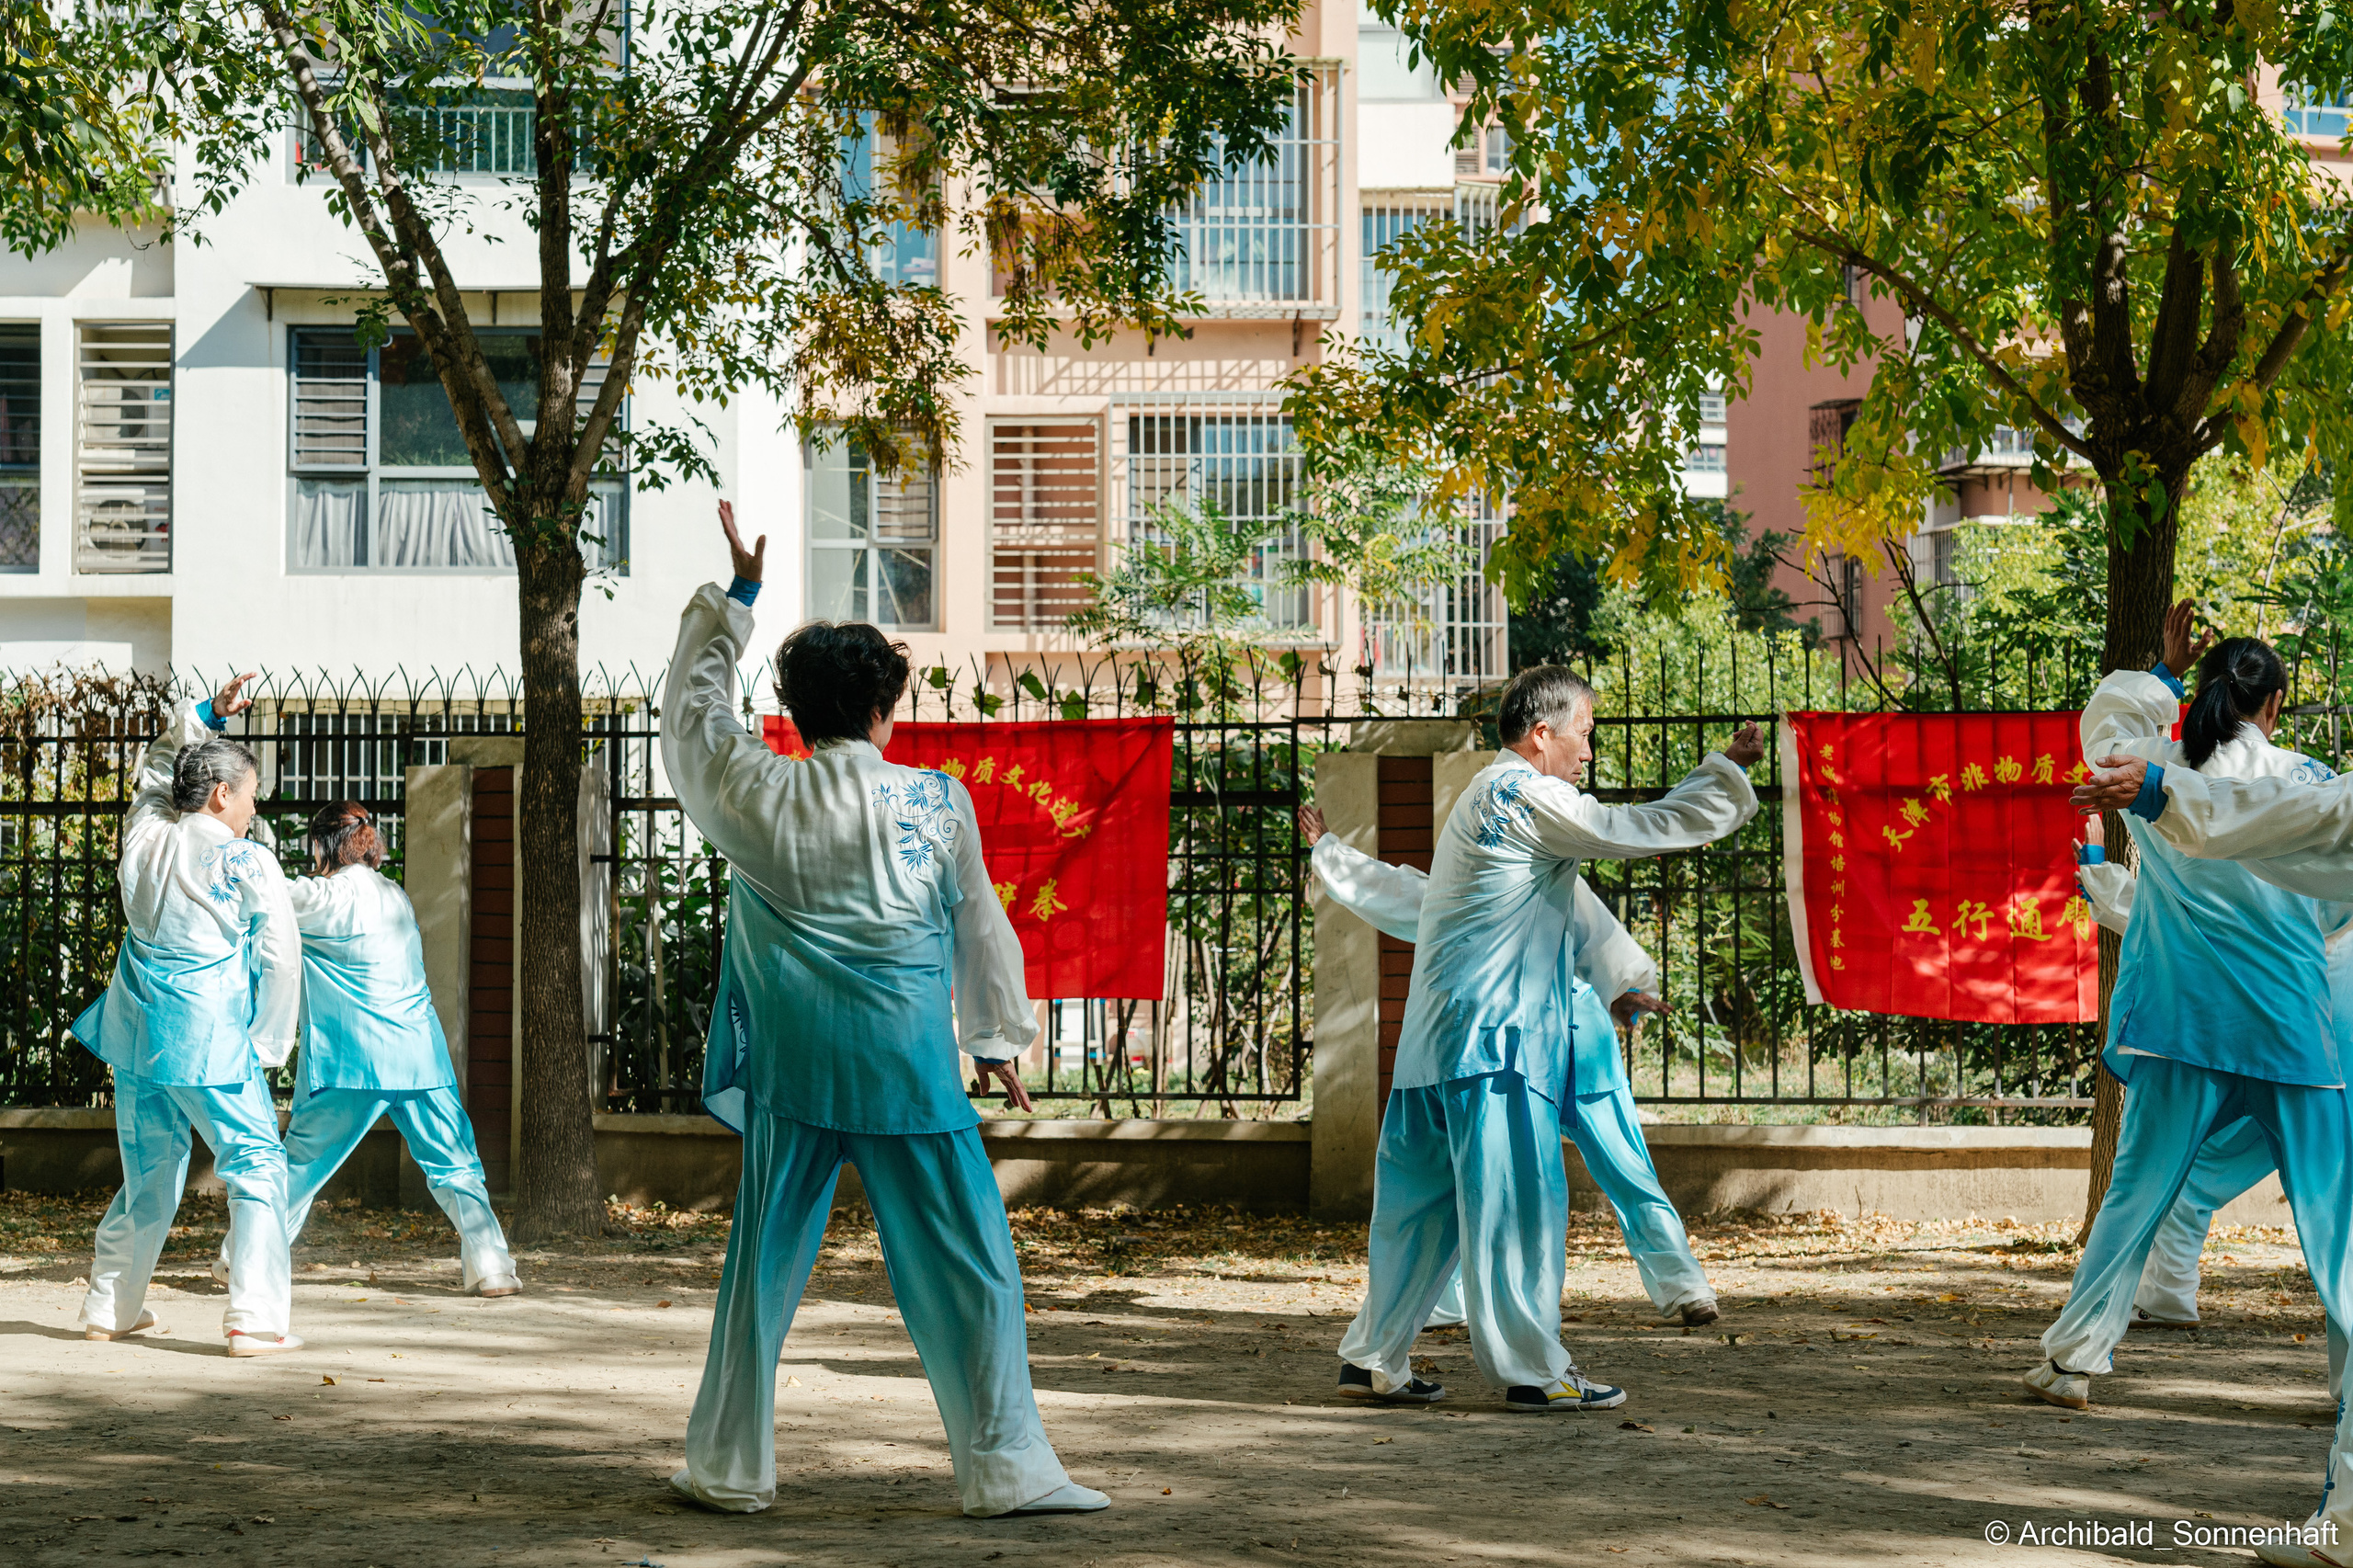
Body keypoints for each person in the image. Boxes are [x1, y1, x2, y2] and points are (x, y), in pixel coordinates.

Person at [662, 501, 1099, 1520]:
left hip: (796, 1070)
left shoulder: (753, 787)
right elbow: (982, 924)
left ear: (796, 708)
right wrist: (994, 1040)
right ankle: (1007, 1469)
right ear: (883, 707)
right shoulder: (935, 801)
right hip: (907, 1068)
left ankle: (728, 1468)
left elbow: (693, 713)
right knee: (974, 1270)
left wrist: (738, 597)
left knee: (757, 1278)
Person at [1330, 664, 1763, 1414]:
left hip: (1433, 1049)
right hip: (1497, 1047)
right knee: (1517, 1208)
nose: (1588, 753)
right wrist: (1721, 773)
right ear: (1542, 734)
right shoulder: (1527, 795)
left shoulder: (1483, 798)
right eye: (1584, 734)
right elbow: (1636, 829)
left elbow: (1442, 903)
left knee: (1417, 1220)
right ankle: (1533, 1371)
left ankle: (1372, 1359)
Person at [2034, 613, 2353, 1567]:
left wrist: (2160, 672)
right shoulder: (2303, 780)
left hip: (2186, 1022)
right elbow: (2330, 900)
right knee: (2339, 1236)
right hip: (2292, 1028)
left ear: (2206, 690)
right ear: (2276, 702)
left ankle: (2075, 1358)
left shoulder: (2155, 768)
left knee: (2139, 1193)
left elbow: (2106, 732)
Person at [1298, 810, 1719, 1329]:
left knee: (1502, 1170)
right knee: (1508, 1171)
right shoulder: (1491, 881)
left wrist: (1622, 988)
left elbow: (1395, 892)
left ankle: (1682, 1284)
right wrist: (1330, 852)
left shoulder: (1497, 882)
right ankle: (1680, 1284)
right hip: (1529, 1041)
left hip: (1552, 1036)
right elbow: (1394, 890)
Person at [2070, 813, 2346, 1392]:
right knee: (2337, 1218)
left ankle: (2078, 1351)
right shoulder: (2307, 804)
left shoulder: (2194, 804)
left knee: (2155, 1184)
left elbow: (2172, 909)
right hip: (2307, 1041)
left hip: (2221, 1034)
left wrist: (2101, 872)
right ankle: (2348, 1392)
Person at [71, 675, 305, 1356]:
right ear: (222, 793)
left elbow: (153, 771)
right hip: (209, 1037)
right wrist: (269, 1043)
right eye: (252, 793)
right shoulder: (247, 859)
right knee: (256, 1164)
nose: (255, 806)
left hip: (136, 1030)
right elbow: (282, 957)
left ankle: (111, 1305)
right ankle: (253, 1318)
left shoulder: (144, 835)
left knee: (148, 1172)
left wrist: (202, 715)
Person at [212, 802, 517, 1297]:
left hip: (351, 1062)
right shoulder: (396, 896)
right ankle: (492, 1266)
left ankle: (241, 1260)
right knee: (456, 1163)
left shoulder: (320, 897)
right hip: (420, 1054)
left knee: (299, 1168)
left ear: (321, 845)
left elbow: (260, 891)